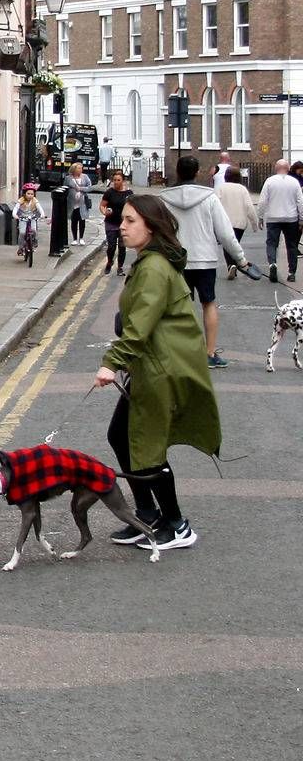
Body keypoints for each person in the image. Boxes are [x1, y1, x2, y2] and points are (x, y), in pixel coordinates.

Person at [96, 195, 222, 552]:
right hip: (152, 364)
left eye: (131, 221)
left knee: (146, 445)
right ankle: (148, 516)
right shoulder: (149, 261)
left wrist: (111, 362)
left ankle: (178, 525)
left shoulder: (153, 267)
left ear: (151, 225)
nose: (122, 226)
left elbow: (139, 328)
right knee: (121, 435)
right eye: (122, 220)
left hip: (162, 368)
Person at [157, 156, 251, 368]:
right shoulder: (209, 197)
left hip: (176, 261)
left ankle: (179, 353)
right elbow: (226, 234)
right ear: (197, 172)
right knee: (208, 304)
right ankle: (209, 354)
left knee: (177, 307)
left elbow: (156, 232)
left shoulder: (163, 199)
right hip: (205, 260)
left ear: (178, 172)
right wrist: (241, 260)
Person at [258, 158, 303, 284]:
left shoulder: (269, 181)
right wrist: (301, 219)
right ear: (288, 169)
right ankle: (291, 273)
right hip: (291, 218)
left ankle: (273, 264)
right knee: (292, 245)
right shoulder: (294, 182)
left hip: (273, 218)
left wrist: (260, 216)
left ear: (276, 168)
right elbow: (300, 202)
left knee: (272, 243)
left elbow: (262, 201)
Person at [216, 166, 260, 280]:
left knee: (227, 244)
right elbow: (249, 207)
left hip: (225, 222)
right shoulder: (242, 189)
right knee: (236, 243)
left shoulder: (221, 188)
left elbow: (215, 205)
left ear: (226, 176)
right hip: (240, 223)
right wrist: (255, 224)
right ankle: (234, 264)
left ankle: (231, 265)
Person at [99, 170, 132, 276]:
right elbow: (102, 205)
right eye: (114, 180)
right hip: (111, 223)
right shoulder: (109, 192)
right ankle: (109, 262)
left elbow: (133, 207)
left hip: (123, 224)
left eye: (118, 180)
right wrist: (104, 212)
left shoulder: (128, 193)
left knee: (122, 247)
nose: (116, 182)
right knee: (111, 246)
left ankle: (120, 267)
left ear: (123, 181)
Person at [13, 183, 46, 258]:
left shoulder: (35, 200)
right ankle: (20, 248)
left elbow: (39, 208)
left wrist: (42, 214)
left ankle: (34, 241)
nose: (30, 195)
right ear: (24, 193)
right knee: (22, 232)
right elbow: (16, 208)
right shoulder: (21, 200)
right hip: (23, 218)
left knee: (34, 230)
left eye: (32, 194)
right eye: (28, 193)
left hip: (32, 217)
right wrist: (15, 215)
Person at [63, 162, 92, 245]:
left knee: (82, 220)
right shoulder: (68, 178)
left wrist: (81, 188)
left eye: (81, 168)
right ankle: (75, 239)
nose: (80, 170)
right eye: (79, 168)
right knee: (74, 221)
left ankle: (81, 238)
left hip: (82, 203)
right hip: (72, 203)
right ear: (74, 169)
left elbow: (90, 187)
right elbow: (65, 188)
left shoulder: (85, 177)